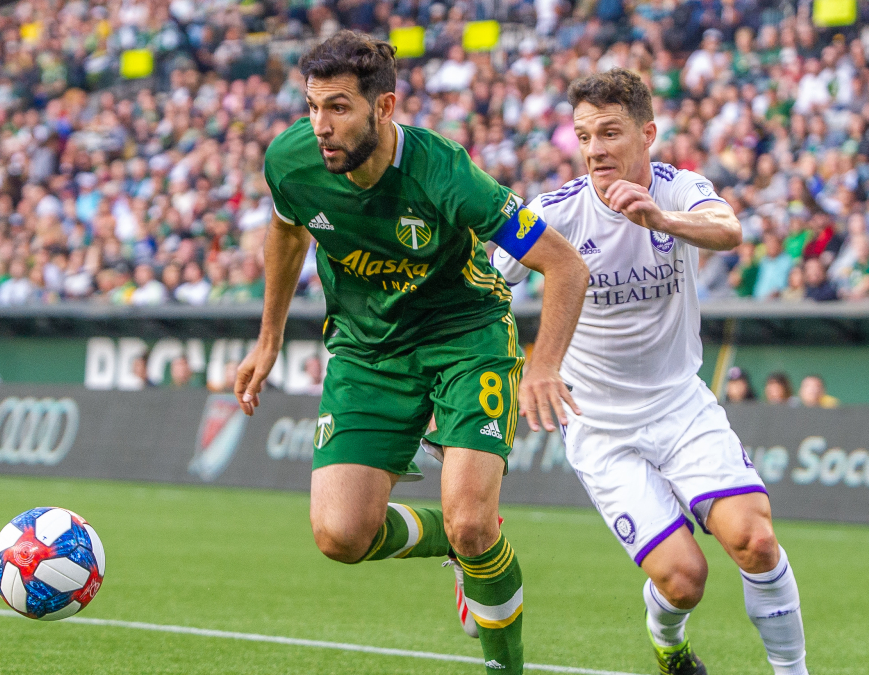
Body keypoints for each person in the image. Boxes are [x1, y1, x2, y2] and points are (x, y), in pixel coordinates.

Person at [236, 32, 587, 675]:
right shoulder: (291, 160)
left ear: (385, 107)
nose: (321, 126)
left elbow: (564, 266)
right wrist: (269, 338)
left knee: (476, 524)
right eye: (313, 107)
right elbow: (288, 228)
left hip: (465, 341)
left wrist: (545, 364)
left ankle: (501, 661)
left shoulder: (445, 173)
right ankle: (449, 543)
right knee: (341, 538)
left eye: (339, 108)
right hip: (366, 352)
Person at [495, 69, 809, 675]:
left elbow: (729, 230)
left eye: (610, 133)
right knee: (685, 579)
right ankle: (669, 642)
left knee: (757, 542)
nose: (595, 150)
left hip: (680, 407)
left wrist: (660, 221)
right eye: (584, 136)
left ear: (648, 134)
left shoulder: (681, 189)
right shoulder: (553, 212)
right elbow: (483, 284)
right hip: (600, 428)